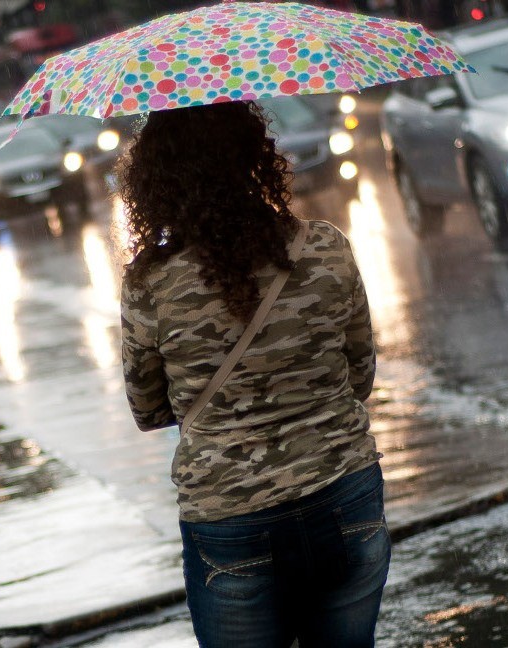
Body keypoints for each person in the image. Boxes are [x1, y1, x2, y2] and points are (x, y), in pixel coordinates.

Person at [118, 100, 389, 648]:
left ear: (157, 178)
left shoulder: (151, 284)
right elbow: (359, 374)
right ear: (254, 158)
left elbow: (148, 411)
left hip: (230, 519)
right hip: (344, 492)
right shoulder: (326, 247)